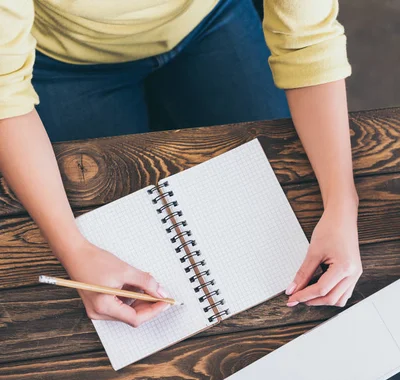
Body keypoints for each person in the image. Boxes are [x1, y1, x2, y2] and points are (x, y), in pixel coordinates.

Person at [0, 0, 362, 328]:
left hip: (209, 18)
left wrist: (342, 204)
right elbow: (5, 92)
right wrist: (72, 248)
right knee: (109, 229)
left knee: (281, 171)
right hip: (65, 57)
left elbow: (308, 42)